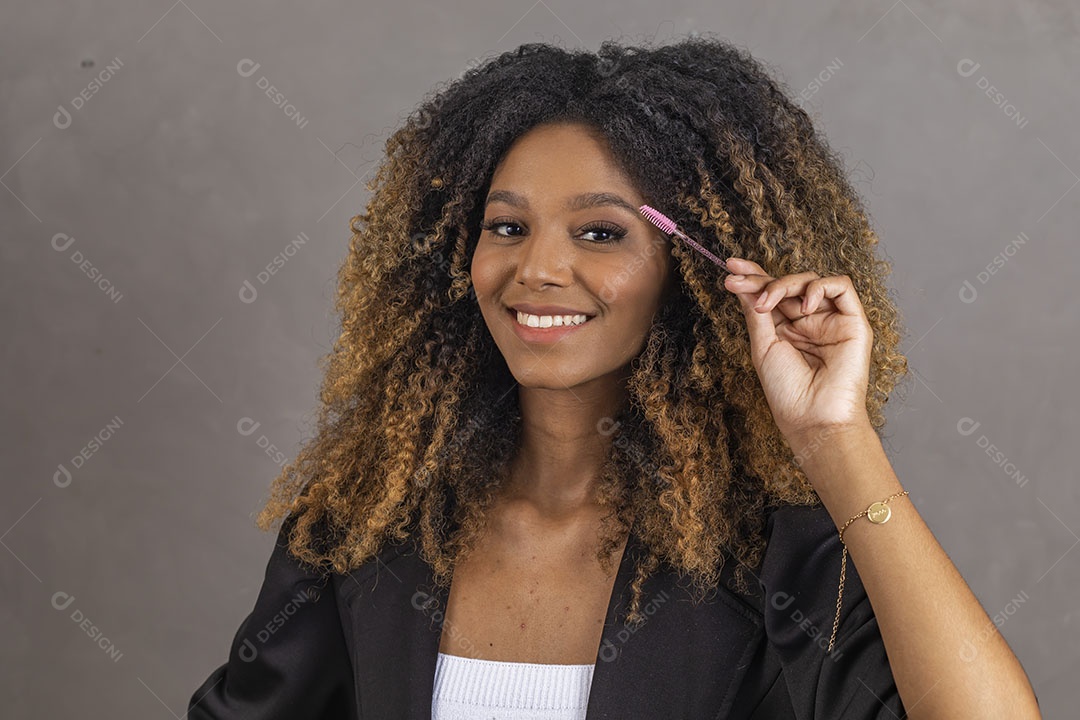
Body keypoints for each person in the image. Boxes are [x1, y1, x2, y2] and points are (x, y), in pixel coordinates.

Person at [188, 35, 1041, 719]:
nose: (539, 269)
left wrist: (834, 437)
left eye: (600, 233)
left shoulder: (775, 552)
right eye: (506, 226)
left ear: (694, 268)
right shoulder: (366, 527)